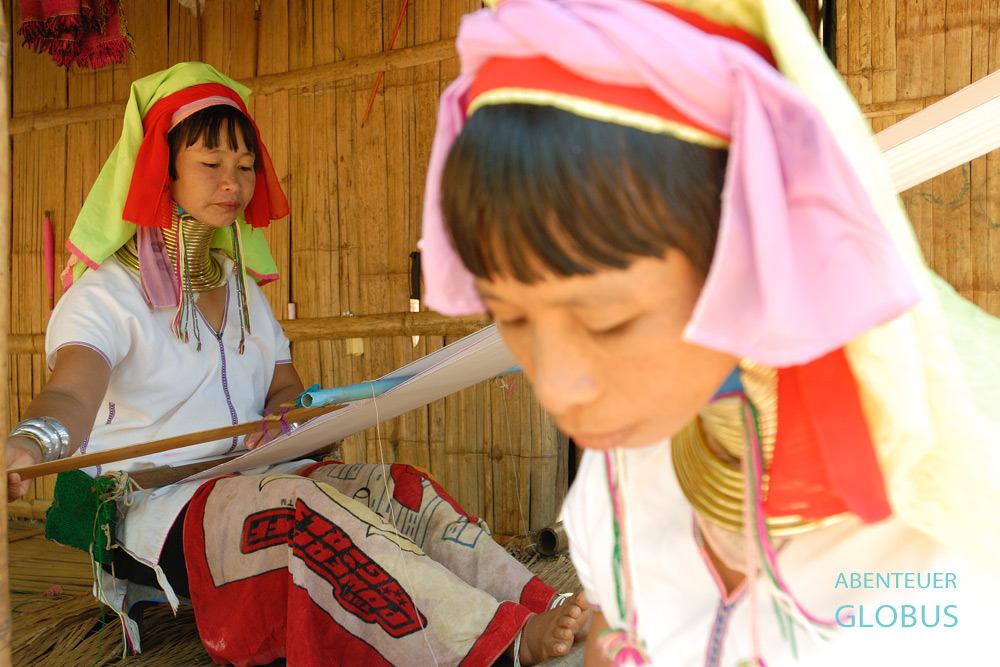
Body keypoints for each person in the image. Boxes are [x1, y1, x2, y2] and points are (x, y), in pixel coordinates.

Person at [419, 0, 1000, 665]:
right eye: (511, 318)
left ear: (752, 248)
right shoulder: (626, 469)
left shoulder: (961, 539)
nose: (554, 386)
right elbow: (615, 635)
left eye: (608, 320)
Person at [5, 61, 589, 667]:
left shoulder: (243, 292)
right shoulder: (106, 296)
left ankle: (544, 603)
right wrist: (32, 442)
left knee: (402, 488)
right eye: (210, 164)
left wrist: (292, 418)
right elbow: (71, 395)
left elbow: (284, 388)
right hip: (160, 507)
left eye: (246, 166)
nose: (233, 182)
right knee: (303, 513)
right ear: (163, 170)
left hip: (256, 475)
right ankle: (496, 645)